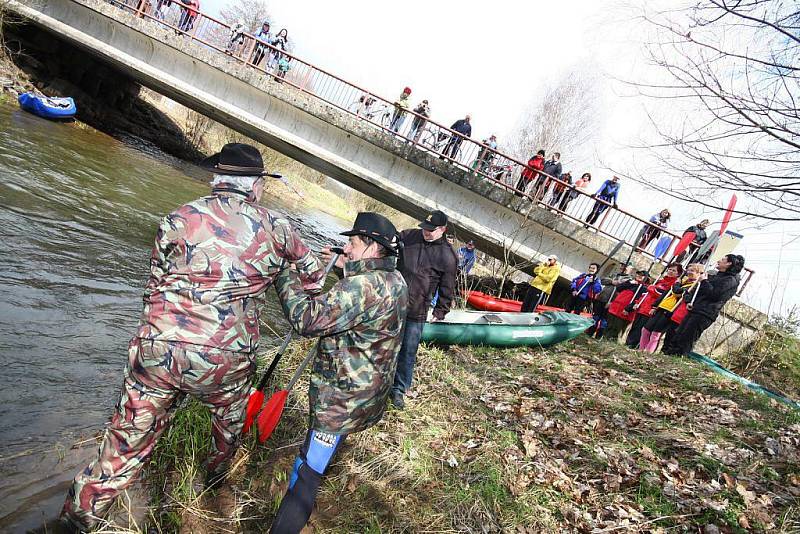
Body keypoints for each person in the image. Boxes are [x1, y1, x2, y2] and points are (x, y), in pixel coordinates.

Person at [59, 144, 325, 531]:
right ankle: (213, 477)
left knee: (123, 445)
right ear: (255, 186)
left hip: (158, 349)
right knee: (228, 425)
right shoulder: (277, 227)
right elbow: (313, 279)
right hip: (224, 360)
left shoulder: (177, 216)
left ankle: (78, 517)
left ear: (216, 179)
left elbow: (154, 285)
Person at [269, 212, 408, 533]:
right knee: (316, 460)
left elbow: (306, 319)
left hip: (340, 401)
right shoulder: (395, 280)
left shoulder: (362, 287)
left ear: (373, 248)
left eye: (353, 243)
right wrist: (345, 265)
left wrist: (285, 275)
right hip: (366, 395)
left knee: (307, 470)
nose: (346, 247)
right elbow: (358, 305)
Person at [392, 210, 458, 409]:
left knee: (407, 352)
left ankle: (399, 389)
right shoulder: (410, 236)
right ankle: (378, 382)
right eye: (425, 228)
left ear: (443, 230)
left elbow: (448, 287)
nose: (426, 232)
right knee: (384, 345)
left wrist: (441, 311)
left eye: (431, 230)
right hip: (393, 304)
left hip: (416, 311)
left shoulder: (448, 256)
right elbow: (393, 238)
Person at [662, 254, 744, 356]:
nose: (719, 260)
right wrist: (689, 300)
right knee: (678, 334)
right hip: (696, 308)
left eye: (722, 259)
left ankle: (678, 357)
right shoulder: (716, 275)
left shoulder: (731, 280)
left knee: (686, 338)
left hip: (705, 313)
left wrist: (704, 281)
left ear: (729, 263)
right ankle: (668, 354)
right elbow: (699, 290)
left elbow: (715, 295)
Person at [639, 263, 704, 353]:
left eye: (692, 271)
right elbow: (666, 294)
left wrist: (677, 284)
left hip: (671, 310)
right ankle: (641, 349)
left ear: (698, 273)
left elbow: (678, 292)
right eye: (688, 270)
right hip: (662, 306)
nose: (689, 272)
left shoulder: (694, 286)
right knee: (646, 329)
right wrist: (655, 306)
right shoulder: (683, 282)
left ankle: (648, 352)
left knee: (656, 333)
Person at [624, 263, 683, 348]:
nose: (671, 271)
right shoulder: (660, 281)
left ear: (678, 274)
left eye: (674, 270)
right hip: (643, 307)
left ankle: (635, 346)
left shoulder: (673, 284)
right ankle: (627, 344)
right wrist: (638, 302)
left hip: (651, 310)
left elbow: (663, 295)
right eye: (670, 269)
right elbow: (646, 294)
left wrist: (652, 289)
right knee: (635, 327)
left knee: (641, 331)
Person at [606, 270, 649, 342]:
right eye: (638, 274)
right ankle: (604, 339)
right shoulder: (630, 283)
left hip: (625, 311)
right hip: (615, 307)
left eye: (642, 275)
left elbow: (637, 300)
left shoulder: (643, 288)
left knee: (616, 328)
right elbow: (618, 288)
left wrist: (628, 309)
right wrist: (628, 283)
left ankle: (610, 342)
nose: (639, 276)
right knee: (609, 325)